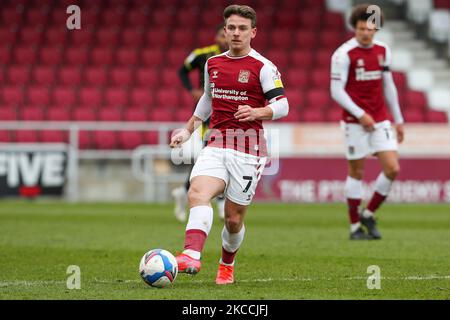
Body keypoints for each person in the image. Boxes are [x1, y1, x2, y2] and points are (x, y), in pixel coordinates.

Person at [169, 4, 289, 285]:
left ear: (253, 32)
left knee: (233, 220)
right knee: (197, 192)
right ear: (225, 31)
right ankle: (191, 254)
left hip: (248, 149)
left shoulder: (263, 67)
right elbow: (208, 100)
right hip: (217, 142)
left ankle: (226, 264)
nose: (236, 33)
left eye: (242, 28)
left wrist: (258, 112)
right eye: (232, 28)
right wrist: (187, 130)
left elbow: (283, 105)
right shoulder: (213, 63)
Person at [330, 4, 404, 240]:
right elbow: (336, 90)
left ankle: (369, 214)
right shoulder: (343, 54)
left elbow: (388, 85)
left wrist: (399, 119)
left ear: (377, 29)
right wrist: (360, 113)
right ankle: (354, 228)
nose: (365, 33)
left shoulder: (383, 50)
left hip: (381, 118)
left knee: (392, 168)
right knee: (357, 172)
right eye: (361, 28)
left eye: (370, 29)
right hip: (354, 121)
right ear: (355, 28)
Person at [171, 24, 229, 223]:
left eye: (227, 34)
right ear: (217, 37)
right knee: (214, 153)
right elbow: (181, 71)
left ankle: (184, 191)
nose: (226, 38)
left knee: (211, 156)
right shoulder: (203, 55)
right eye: (222, 34)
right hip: (208, 113)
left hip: (228, 112)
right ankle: (220, 203)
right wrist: (192, 91)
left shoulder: (236, 59)